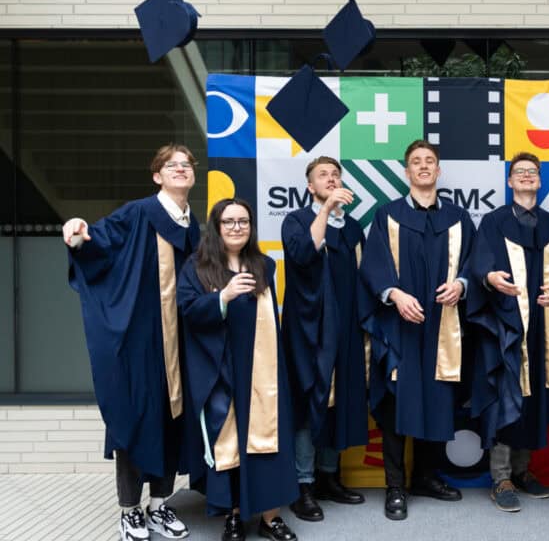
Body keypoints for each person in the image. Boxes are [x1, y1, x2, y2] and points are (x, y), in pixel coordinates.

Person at [64, 143, 201, 541]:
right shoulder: (140, 212)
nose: (180, 169)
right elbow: (98, 239)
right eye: (170, 165)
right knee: (137, 418)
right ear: (157, 175)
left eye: (186, 165)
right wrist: (76, 232)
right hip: (142, 339)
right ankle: (130, 510)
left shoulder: (192, 224)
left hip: (180, 343)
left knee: (172, 419)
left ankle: (159, 505)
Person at [359, 140, 475, 520]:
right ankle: (395, 486)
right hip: (400, 327)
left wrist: (461, 284)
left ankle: (426, 476)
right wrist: (394, 294)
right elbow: (373, 267)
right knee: (397, 402)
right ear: (407, 172)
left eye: (430, 161)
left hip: (444, 326)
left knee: (437, 399)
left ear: (438, 171)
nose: (423, 167)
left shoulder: (459, 218)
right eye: (416, 162)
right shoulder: (387, 216)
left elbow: (476, 262)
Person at [177, 199, 299, 541]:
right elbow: (187, 311)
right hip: (221, 367)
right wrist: (223, 297)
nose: (236, 227)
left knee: (268, 441)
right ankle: (233, 515)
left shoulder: (264, 266)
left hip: (262, 368)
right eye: (228, 222)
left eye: (243, 221)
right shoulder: (198, 267)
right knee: (229, 443)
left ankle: (270, 517)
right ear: (216, 227)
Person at [466, 152, 549, 513]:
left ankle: (523, 471)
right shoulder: (493, 222)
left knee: (533, 398)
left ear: (539, 182)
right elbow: (478, 262)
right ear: (510, 182)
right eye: (519, 172)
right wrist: (489, 277)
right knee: (504, 395)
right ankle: (501, 477)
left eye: (532, 172)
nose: (526, 176)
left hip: (542, 325)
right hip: (504, 325)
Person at [281, 157, 366, 522]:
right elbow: (302, 254)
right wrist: (327, 208)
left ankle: (330, 477)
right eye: (323, 176)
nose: (331, 179)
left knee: (340, 400)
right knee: (309, 401)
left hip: (346, 326)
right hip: (308, 328)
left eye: (335, 175)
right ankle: (303, 485)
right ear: (310, 187)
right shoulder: (298, 220)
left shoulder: (352, 228)